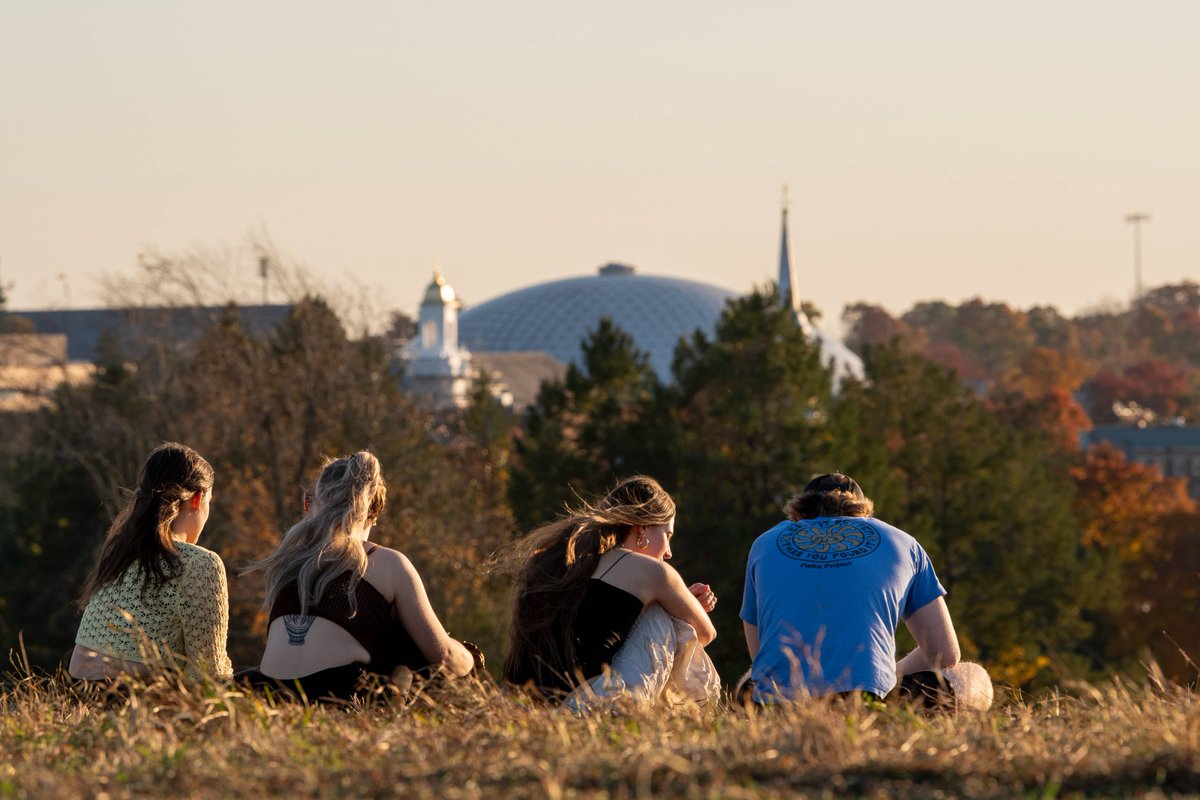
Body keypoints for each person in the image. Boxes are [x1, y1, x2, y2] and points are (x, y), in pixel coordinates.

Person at [739, 473, 992, 710]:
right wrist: (883, 673)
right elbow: (944, 653)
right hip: (868, 702)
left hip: (777, 706)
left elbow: (759, 653)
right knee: (972, 674)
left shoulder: (765, 543)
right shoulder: (901, 541)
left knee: (750, 677)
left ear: (798, 513)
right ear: (864, 513)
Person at [241, 451, 475, 701]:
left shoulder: (289, 561)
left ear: (311, 504)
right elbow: (446, 658)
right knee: (405, 635)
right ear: (374, 512)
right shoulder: (387, 562)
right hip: (338, 699)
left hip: (268, 695)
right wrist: (472, 659)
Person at [503, 475, 719, 705]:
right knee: (667, 619)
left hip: (528, 702)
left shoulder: (570, 561)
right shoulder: (654, 572)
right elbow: (704, 634)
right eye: (668, 535)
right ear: (643, 528)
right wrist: (678, 604)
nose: (669, 552)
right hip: (587, 706)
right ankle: (691, 714)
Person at [70, 442, 232, 681]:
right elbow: (208, 674)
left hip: (78, 694)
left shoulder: (119, 551)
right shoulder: (200, 564)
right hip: (137, 701)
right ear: (197, 499)